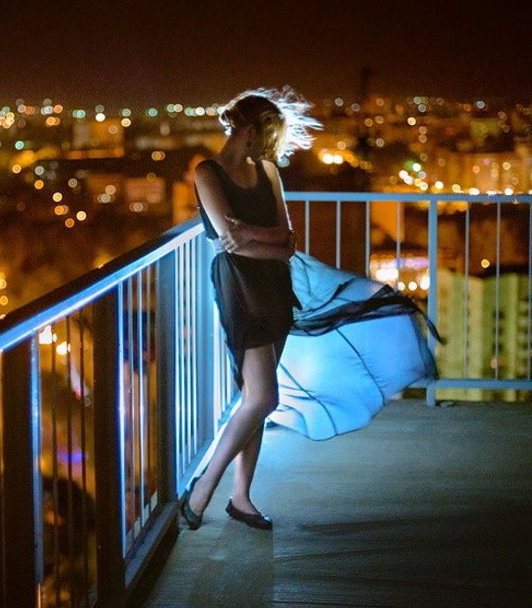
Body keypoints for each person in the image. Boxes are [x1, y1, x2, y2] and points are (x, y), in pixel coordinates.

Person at [182, 86, 440, 531]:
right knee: (263, 397)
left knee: (254, 400)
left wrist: (255, 236)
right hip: (240, 288)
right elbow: (231, 238)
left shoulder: (267, 173)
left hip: (275, 287)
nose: (269, 151)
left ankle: (241, 497)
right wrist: (264, 240)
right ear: (245, 130)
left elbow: (287, 241)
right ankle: (203, 489)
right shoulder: (208, 172)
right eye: (264, 139)